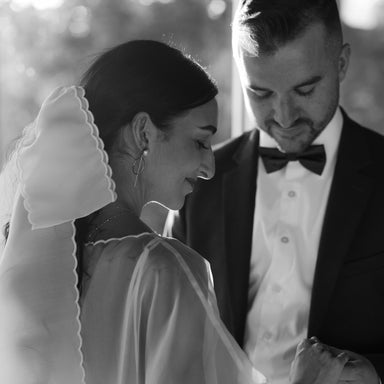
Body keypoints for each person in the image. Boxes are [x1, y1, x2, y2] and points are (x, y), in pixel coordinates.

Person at [0, 40, 349, 384]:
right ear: (143, 133)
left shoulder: (36, 264)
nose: (209, 167)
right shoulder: (163, 268)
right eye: (200, 141)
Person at [167, 1, 384, 383]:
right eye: (261, 93)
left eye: (305, 90)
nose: (283, 117)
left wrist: (374, 374)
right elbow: (167, 338)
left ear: (342, 64)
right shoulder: (199, 184)